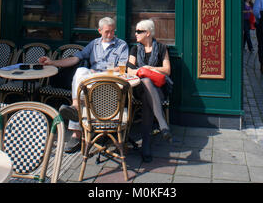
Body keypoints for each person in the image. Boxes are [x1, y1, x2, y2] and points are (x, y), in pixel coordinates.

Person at [39, 17, 129, 153]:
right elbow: (75, 59)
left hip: (111, 82)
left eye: (112, 31)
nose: (110, 35)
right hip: (92, 82)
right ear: (99, 31)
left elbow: (122, 67)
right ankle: (75, 113)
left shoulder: (121, 45)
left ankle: (77, 133)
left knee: (85, 86)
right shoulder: (94, 44)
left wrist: (101, 73)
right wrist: (52, 62)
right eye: (107, 32)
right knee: (80, 71)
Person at [126, 19, 172, 163]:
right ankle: (161, 123)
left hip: (158, 89)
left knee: (147, 100)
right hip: (138, 88)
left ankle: (146, 146)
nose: (136, 34)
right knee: (145, 82)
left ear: (148, 33)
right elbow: (129, 70)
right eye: (136, 31)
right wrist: (142, 71)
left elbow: (167, 70)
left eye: (139, 31)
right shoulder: (135, 49)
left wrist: (149, 69)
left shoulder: (162, 48)